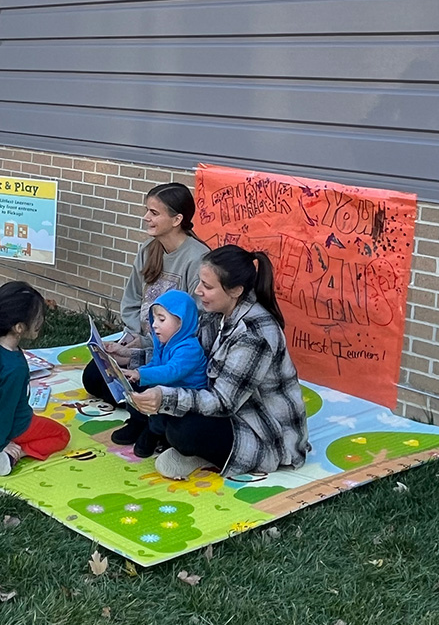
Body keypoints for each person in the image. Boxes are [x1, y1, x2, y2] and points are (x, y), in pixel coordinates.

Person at [130, 244, 309, 481]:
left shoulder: (254, 335)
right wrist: (131, 362)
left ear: (235, 290)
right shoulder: (217, 313)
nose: (198, 290)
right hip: (225, 409)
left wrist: (165, 397)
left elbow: (224, 403)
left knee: (182, 427)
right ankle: (184, 444)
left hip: (264, 433)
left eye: (207, 286)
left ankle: (198, 452)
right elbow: (188, 358)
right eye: (200, 282)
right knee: (141, 386)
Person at [83, 182, 207, 403]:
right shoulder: (148, 250)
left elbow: (196, 322)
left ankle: (146, 407)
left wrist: (146, 345)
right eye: (146, 210)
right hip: (140, 343)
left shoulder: (197, 258)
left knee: (124, 386)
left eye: (154, 212)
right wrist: (131, 338)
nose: (146, 217)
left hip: (172, 355)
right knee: (93, 377)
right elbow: (131, 300)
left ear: (177, 220)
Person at [0, 281, 70, 476]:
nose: (41, 321)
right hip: (15, 425)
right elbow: (6, 409)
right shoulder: (15, 368)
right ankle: (13, 452)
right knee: (62, 435)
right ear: (19, 327)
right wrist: (2, 443)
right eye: (37, 317)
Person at [112, 288, 207, 457]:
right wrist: (136, 373)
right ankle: (138, 422)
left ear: (181, 322)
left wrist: (142, 375)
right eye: (154, 318)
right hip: (167, 390)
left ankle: (154, 432)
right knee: (135, 387)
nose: (154, 324)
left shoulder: (190, 348)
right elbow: (156, 363)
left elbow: (172, 371)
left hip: (186, 400)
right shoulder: (163, 342)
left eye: (161, 319)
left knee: (159, 404)